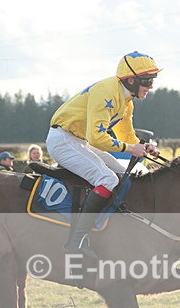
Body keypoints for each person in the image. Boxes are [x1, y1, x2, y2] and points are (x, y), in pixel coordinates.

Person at [46, 51, 161, 258]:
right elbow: (97, 138)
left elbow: (126, 135)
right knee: (107, 179)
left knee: (132, 173)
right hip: (63, 140)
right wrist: (129, 149)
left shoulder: (127, 101)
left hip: (78, 141)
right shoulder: (107, 92)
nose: (150, 87)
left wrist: (143, 147)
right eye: (147, 81)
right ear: (131, 79)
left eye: (153, 81)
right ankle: (75, 241)